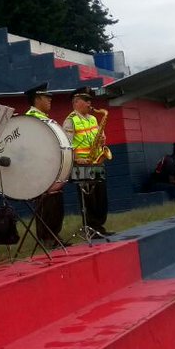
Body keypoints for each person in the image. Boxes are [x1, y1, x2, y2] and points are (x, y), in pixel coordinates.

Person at [63, 86, 109, 236]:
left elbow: (100, 136)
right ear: (76, 102)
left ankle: (100, 227)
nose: (90, 104)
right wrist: (76, 158)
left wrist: (102, 140)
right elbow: (66, 145)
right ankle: (91, 228)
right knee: (88, 199)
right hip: (81, 164)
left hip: (96, 161)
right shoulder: (71, 120)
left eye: (90, 101)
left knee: (101, 197)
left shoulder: (94, 118)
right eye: (86, 100)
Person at [25, 82, 64, 243]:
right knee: (45, 204)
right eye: (46, 97)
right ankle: (46, 237)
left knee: (55, 202)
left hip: (51, 165)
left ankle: (54, 235)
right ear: (37, 99)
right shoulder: (31, 118)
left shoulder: (44, 118)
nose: (50, 100)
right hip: (40, 167)